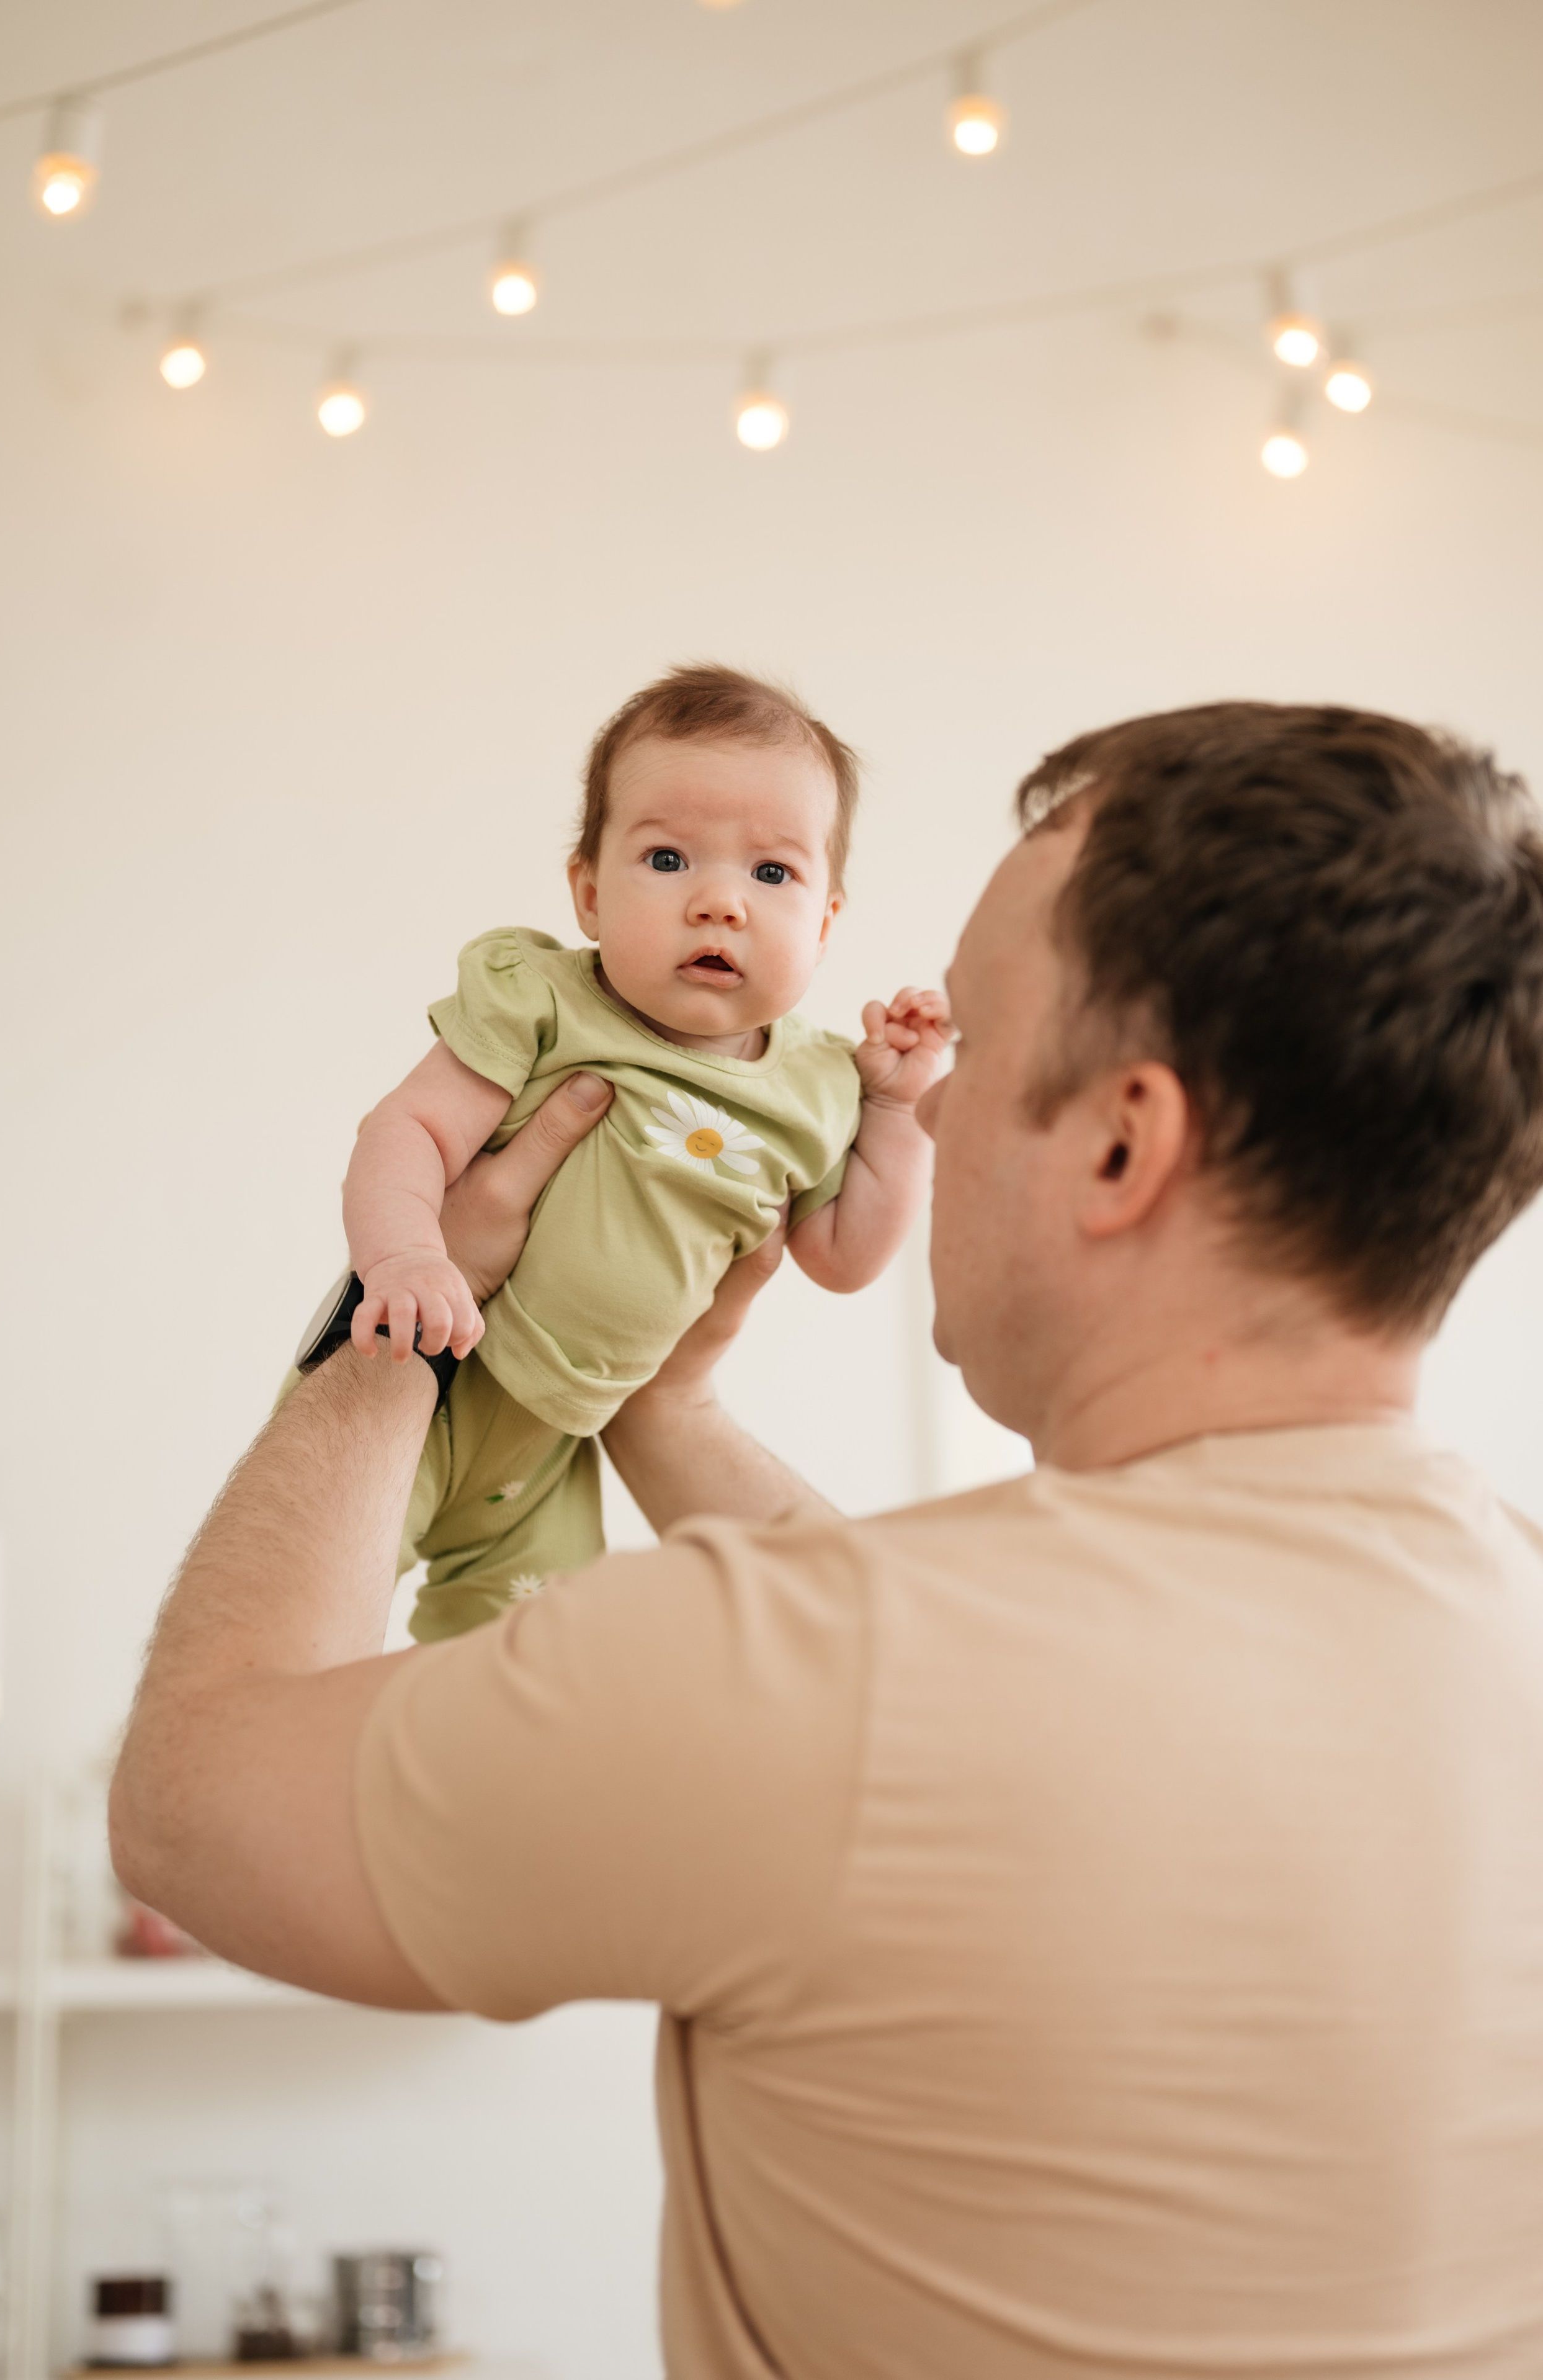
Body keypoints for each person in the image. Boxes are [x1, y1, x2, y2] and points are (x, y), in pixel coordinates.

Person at [113, 703, 1543, 2379]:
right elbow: (953, 1656)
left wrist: (402, 1326)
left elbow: (194, 1803)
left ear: (1118, 1143)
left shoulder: (817, 1687)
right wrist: (663, 1396)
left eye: (978, 1048)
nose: (907, 1104)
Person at [334, 662, 949, 1634]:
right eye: (668, 860)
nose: (719, 902)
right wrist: (405, 1256)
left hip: (551, 1455)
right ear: (586, 893)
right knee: (310, 1620)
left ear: (826, 924)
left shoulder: (820, 1086)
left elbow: (843, 1258)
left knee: (523, 1673)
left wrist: (901, 1112)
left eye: (772, 872)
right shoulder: (541, 999)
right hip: (419, 1366)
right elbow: (404, 1129)